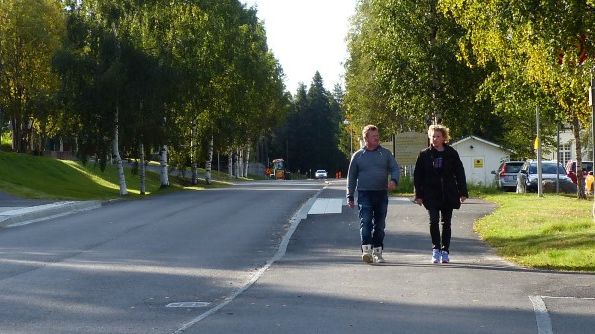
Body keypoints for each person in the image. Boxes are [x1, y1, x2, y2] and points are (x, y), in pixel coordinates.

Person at [413, 124, 468, 264]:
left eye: (438, 136)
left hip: (448, 193)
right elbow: (418, 175)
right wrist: (418, 195)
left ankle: (445, 250)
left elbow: (460, 173)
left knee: (446, 222)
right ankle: (436, 249)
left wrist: (463, 192)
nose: (435, 139)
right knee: (433, 221)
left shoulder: (451, 153)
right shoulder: (424, 154)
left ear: (444, 138)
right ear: (429, 137)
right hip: (430, 193)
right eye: (433, 136)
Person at [347, 124, 400, 264]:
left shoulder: (385, 153)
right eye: (373, 136)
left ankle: (378, 251)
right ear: (366, 138)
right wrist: (350, 195)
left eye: (377, 135)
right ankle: (366, 250)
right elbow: (351, 177)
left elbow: (395, 168)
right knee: (366, 223)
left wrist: (394, 181)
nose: (377, 138)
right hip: (365, 194)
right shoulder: (358, 156)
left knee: (380, 225)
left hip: (381, 194)